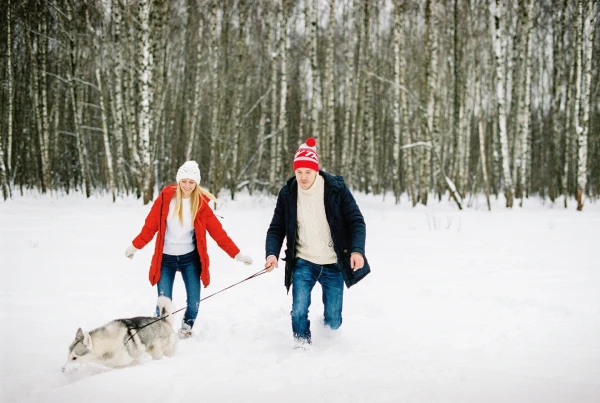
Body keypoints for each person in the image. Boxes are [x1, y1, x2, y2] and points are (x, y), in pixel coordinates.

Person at [125, 161, 253, 339]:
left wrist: (237, 254)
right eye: (184, 181)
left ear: (197, 183)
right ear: (178, 181)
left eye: (191, 182)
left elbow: (219, 234)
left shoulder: (200, 205)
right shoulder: (165, 201)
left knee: (194, 301)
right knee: (164, 302)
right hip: (165, 260)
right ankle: (159, 333)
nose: (187, 186)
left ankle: (186, 326)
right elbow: (149, 227)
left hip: (189, 259)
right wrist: (134, 246)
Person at [264, 138, 371, 345]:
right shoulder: (288, 193)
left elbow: (356, 221)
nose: (303, 177)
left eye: (308, 172)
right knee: (298, 310)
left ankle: (329, 343)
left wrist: (357, 251)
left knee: (333, 320)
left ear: (316, 170)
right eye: (299, 172)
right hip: (304, 261)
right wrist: (271, 254)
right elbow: (276, 228)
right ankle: (302, 346)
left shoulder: (335, 189)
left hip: (333, 262)